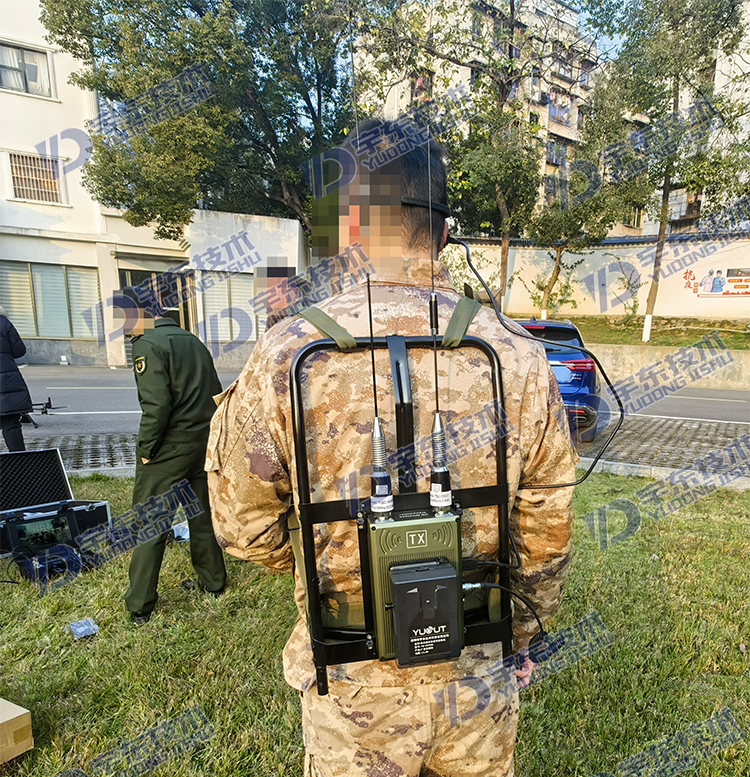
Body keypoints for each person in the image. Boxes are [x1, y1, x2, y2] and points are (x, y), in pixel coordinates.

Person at [206, 120, 575, 776]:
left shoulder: (288, 354)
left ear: (352, 224)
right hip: (475, 672)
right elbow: (547, 536)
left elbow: (243, 527)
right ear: (443, 230)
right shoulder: (516, 355)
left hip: (352, 680)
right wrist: (518, 635)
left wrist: (329, 568)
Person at [125, 307, 227, 623]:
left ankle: (140, 604)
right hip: (202, 442)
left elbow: (156, 405)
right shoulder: (192, 340)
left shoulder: (147, 343)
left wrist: (146, 449)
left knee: (151, 522)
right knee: (202, 516)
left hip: (169, 447)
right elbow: (215, 393)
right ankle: (214, 582)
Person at [0, 305, 33, 452]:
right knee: (10, 423)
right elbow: (19, 350)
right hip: (6, 379)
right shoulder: (4, 322)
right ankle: (19, 461)